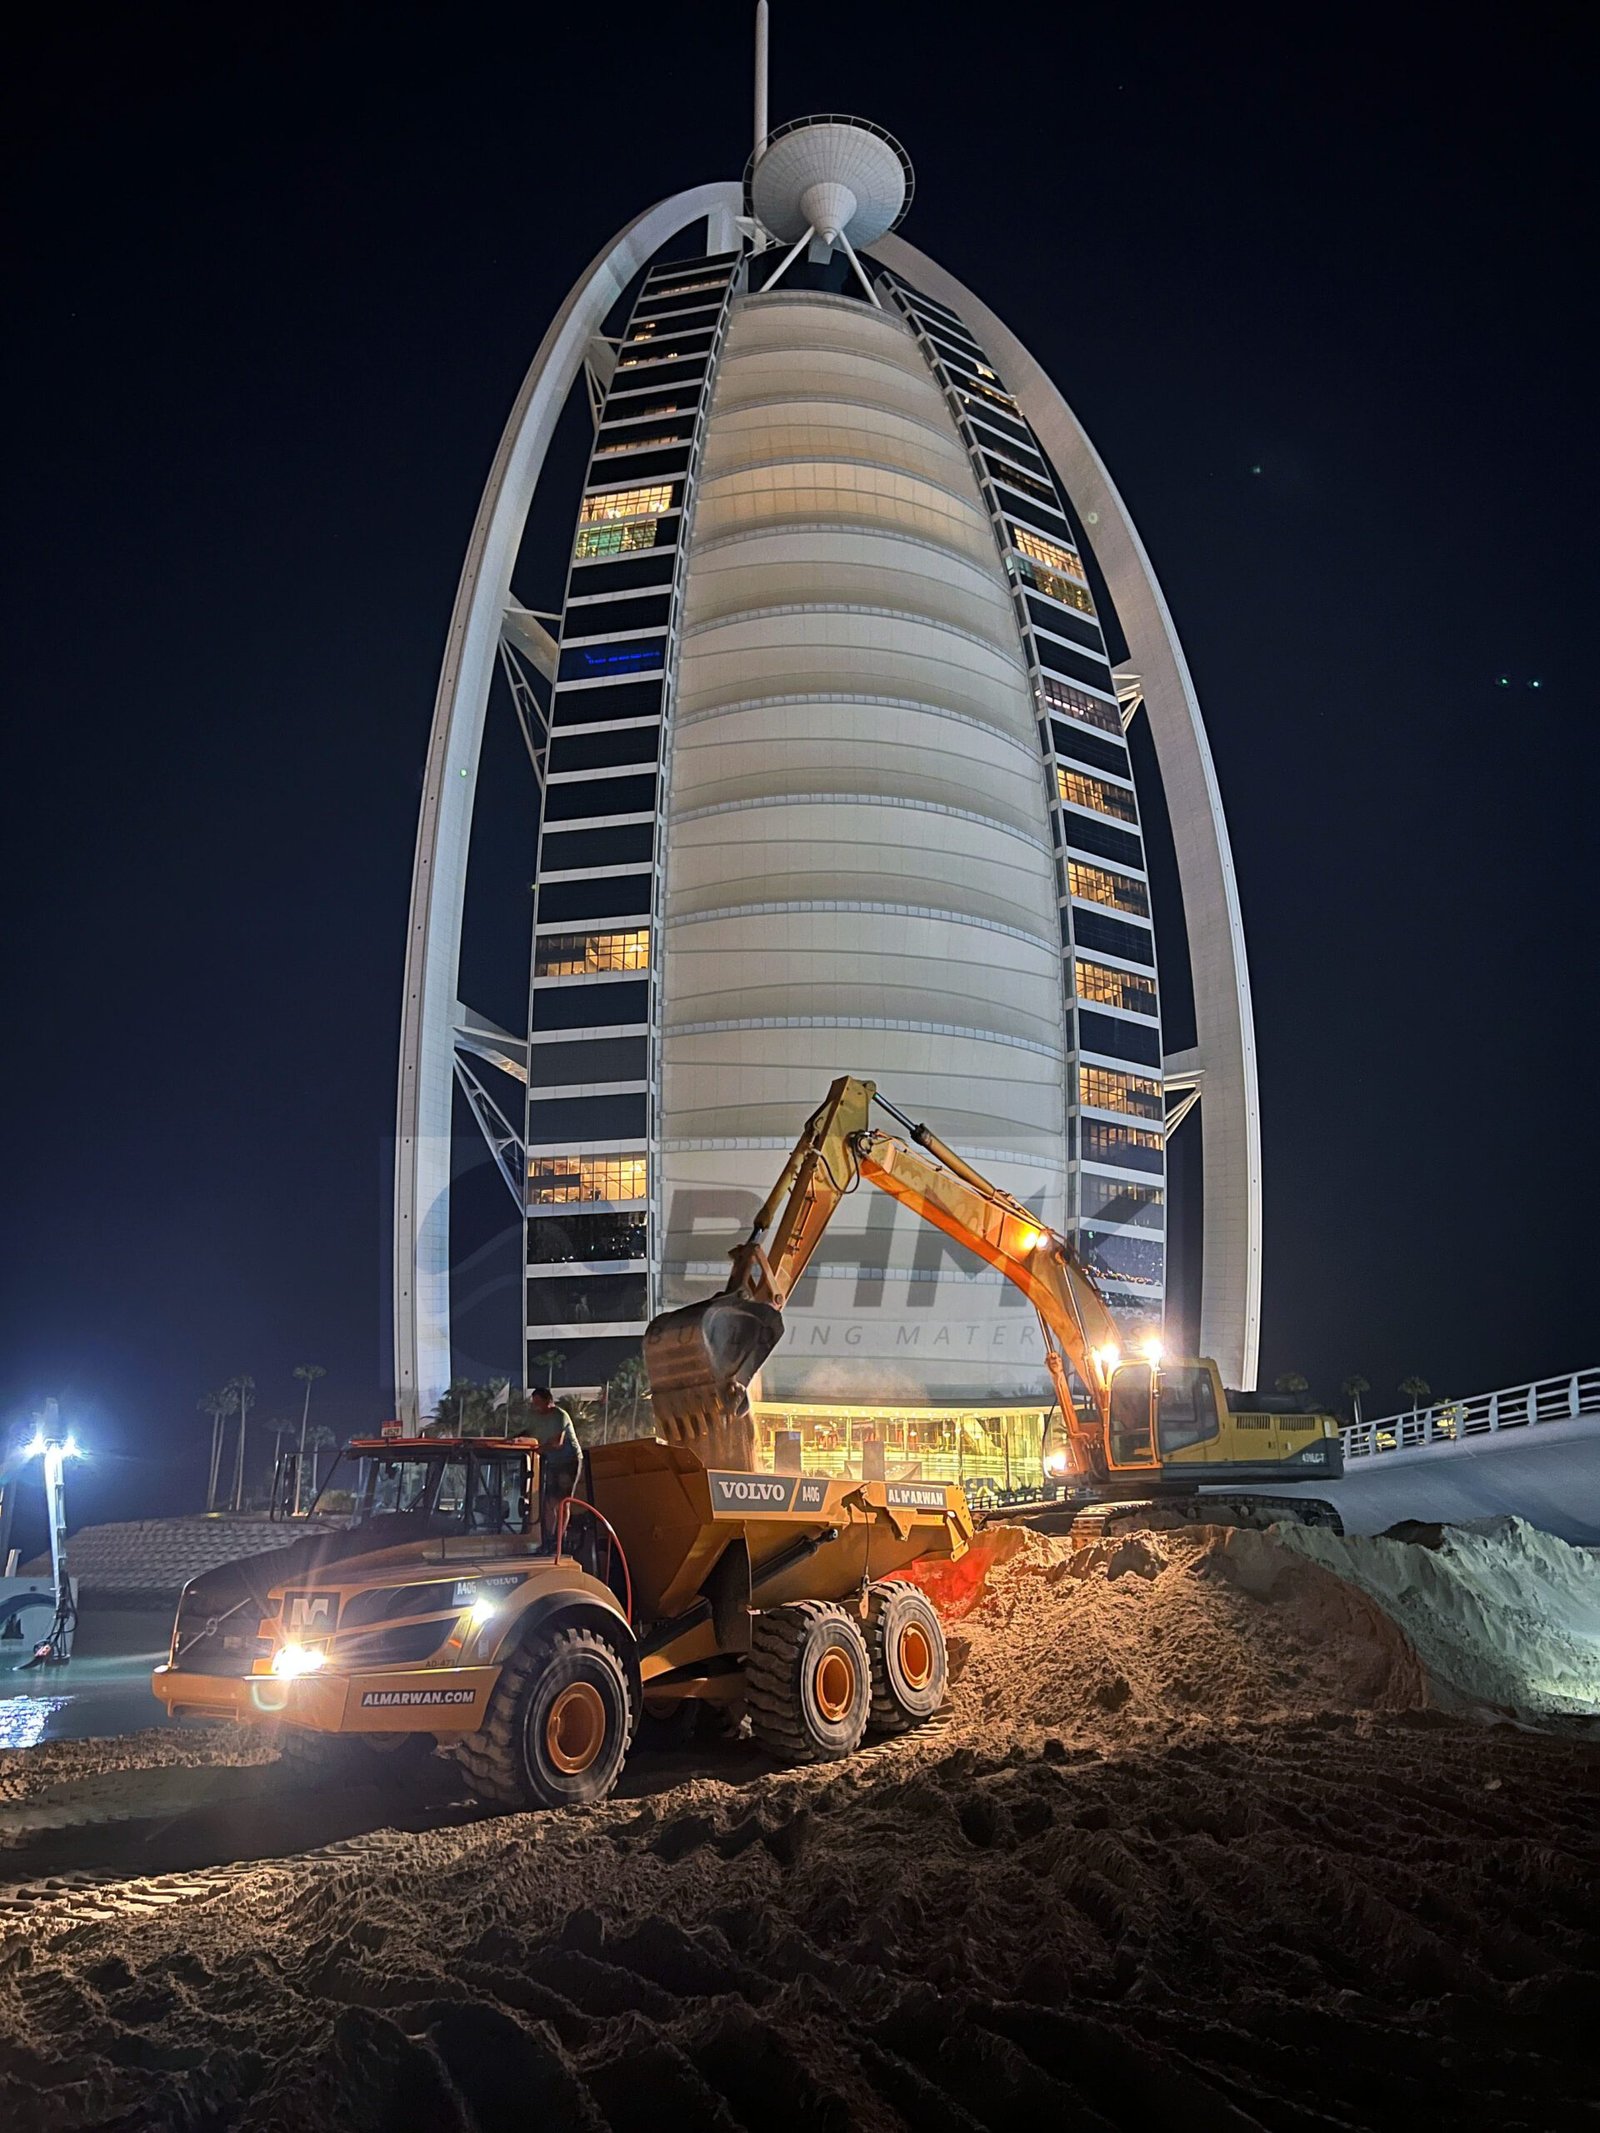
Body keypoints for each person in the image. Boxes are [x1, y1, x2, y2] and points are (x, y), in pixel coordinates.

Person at [529, 1386, 582, 1550]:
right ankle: (549, 1538)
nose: (536, 1406)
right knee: (548, 1502)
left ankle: (559, 1540)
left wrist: (539, 1449)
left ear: (548, 1401)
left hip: (569, 1461)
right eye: (534, 1403)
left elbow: (557, 1443)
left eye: (538, 1403)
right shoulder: (538, 1418)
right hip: (552, 1462)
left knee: (562, 1502)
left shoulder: (559, 1416)